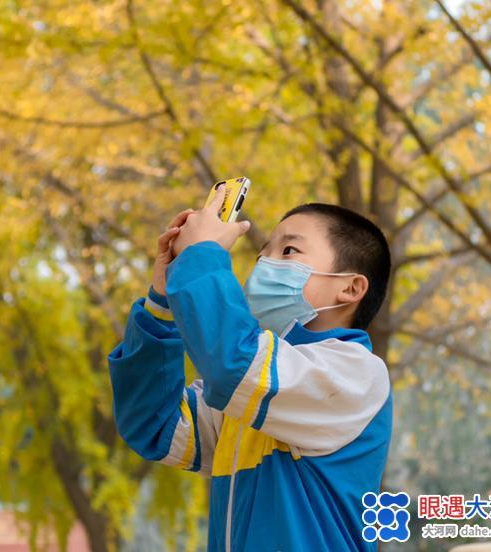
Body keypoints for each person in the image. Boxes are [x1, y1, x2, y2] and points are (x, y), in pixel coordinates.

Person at [107, 185, 393, 551]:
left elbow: (233, 364)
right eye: (261, 256)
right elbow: (153, 426)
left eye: (288, 251)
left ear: (351, 288)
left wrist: (201, 255)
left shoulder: (355, 372)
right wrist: (162, 302)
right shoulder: (254, 384)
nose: (265, 265)